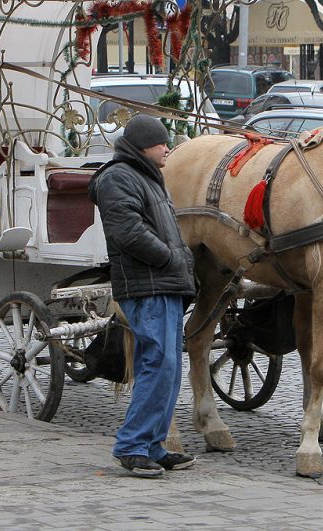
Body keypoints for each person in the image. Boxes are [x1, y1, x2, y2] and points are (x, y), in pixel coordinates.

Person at [88, 114, 197, 478]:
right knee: (157, 364)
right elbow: (128, 232)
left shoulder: (149, 177)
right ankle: (133, 445)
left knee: (167, 366)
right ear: (142, 146)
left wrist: (183, 261)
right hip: (146, 285)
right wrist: (171, 258)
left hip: (162, 282)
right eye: (161, 142)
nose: (168, 148)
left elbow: (167, 230)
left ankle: (153, 445)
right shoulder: (118, 177)